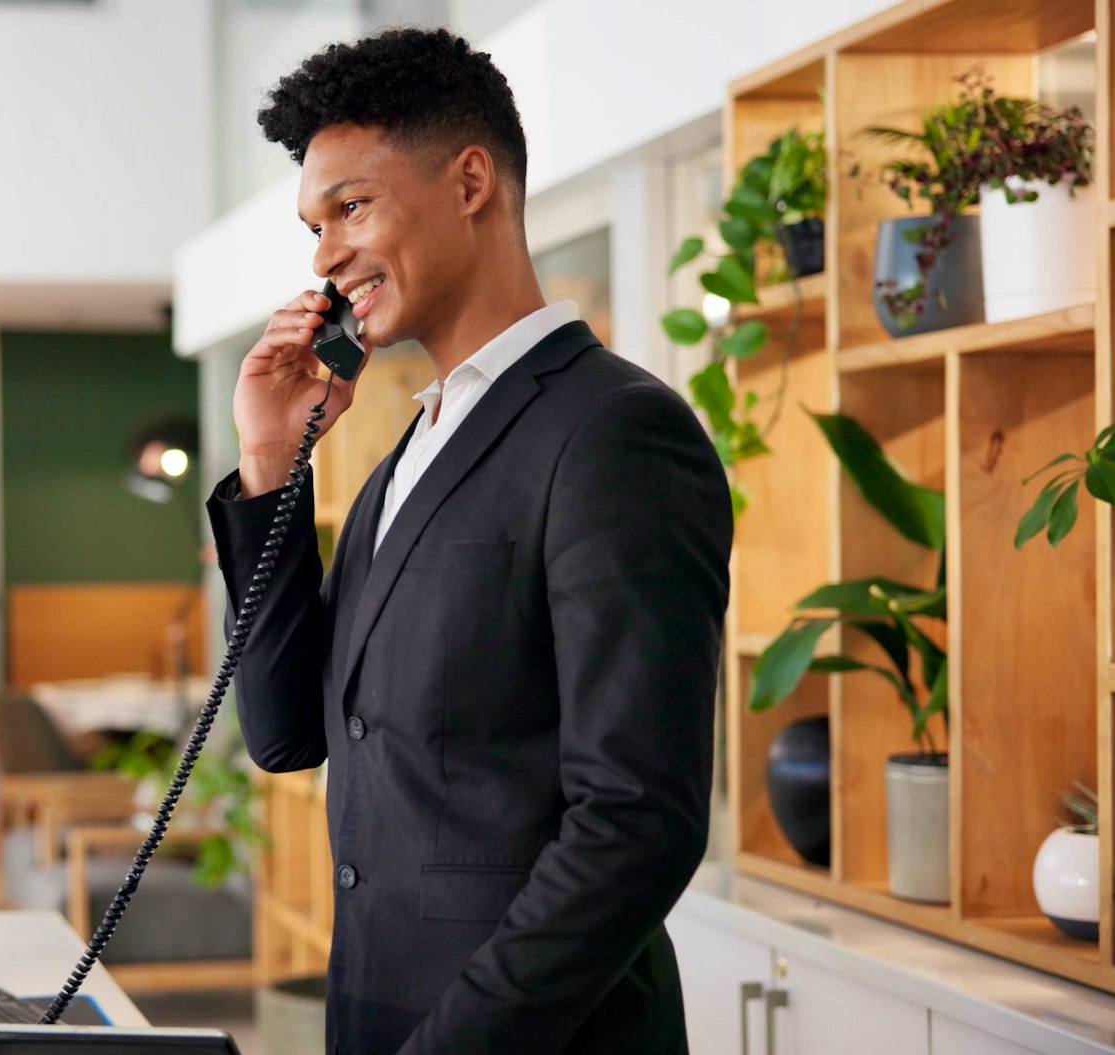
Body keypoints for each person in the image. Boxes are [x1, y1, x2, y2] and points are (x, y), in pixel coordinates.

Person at [208, 29, 732, 1054]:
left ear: (469, 180)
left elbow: (635, 821)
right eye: (314, 225)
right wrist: (270, 460)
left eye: (350, 207)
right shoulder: (402, 451)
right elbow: (283, 732)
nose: (323, 257)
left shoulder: (616, 431)